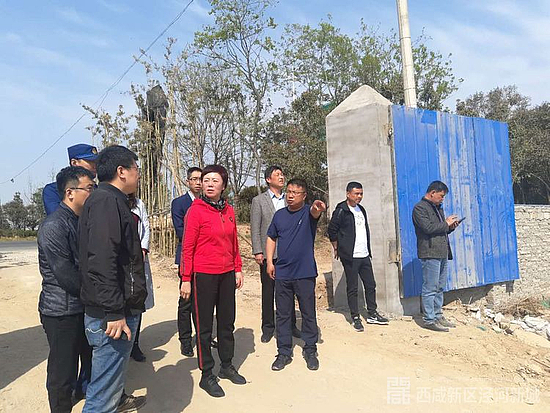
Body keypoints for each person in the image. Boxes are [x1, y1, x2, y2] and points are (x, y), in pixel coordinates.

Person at [79, 145, 147, 412]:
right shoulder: (106, 202)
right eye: (136, 169)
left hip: (115, 309)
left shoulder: (111, 200)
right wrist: (114, 312)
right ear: (121, 171)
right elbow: (102, 260)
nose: (138, 174)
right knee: (102, 398)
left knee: (109, 386)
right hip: (112, 315)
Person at [180, 164, 245, 398]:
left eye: (214, 181)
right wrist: (186, 278)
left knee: (227, 322)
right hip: (203, 275)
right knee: (204, 327)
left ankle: (226, 365)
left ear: (223, 185)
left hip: (226, 274)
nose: (208, 184)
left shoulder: (229, 210)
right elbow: (187, 247)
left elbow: (233, 242)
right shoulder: (195, 211)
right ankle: (206, 374)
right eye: (205, 180)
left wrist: (238, 268)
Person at [38, 166, 94, 412]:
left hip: (81, 305)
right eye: (89, 188)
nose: (92, 193)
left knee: (90, 360)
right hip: (61, 311)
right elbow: (66, 275)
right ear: (70, 192)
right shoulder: (54, 226)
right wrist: (98, 295)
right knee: (63, 372)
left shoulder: (80, 221)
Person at [266, 178, 326, 372]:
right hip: (283, 273)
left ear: (304, 196)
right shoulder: (279, 215)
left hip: (304, 273)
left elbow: (315, 211)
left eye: (295, 193)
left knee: (308, 313)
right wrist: (270, 262)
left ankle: (310, 350)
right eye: (289, 192)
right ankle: (283, 352)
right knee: (283, 314)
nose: (290, 196)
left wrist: (317, 207)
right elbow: (271, 237)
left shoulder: (308, 213)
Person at [327, 182, 389, 332]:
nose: (359, 196)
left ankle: (372, 313)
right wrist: (337, 247)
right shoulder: (341, 211)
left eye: (361, 193)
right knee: (353, 287)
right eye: (356, 194)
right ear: (348, 194)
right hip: (350, 256)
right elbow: (332, 230)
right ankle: (355, 317)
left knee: (370, 284)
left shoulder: (361, 209)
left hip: (364, 254)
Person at [250, 165, 300, 343]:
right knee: (268, 292)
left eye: (282, 174)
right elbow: (255, 228)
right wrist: (258, 251)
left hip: (288, 254)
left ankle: (291, 325)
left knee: (289, 291)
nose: (281, 177)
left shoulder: (290, 199)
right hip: (268, 254)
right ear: (268, 179)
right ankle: (268, 327)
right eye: (277, 174)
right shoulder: (259, 201)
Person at [412, 180, 461, 332]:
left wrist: (450, 227)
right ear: (432, 193)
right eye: (441, 196)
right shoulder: (420, 208)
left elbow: (440, 229)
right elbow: (428, 228)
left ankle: (438, 315)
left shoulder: (437, 208)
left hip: (442, 252)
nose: (442, 199)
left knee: (440, 287)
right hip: (430, 252)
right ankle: (429, 319)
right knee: (430, 287)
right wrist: (446, 223)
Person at [171, 167, 202, 357]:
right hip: (187, 256)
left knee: (204, 301)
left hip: (206, 258)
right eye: (194, 179)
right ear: (187, 181)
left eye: (201, 179)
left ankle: (202, 336)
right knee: (186, 299)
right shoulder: (179, 203)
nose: (198, 182)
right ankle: (185, 340)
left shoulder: (209, 202)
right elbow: (180, 230)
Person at [128, 194, 155, 362]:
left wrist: (143, 249)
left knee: (138, 299)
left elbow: (145, 226)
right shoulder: (109, 201)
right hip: (119, 260)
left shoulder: (138, 203)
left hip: (138, 259)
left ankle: (135, 343)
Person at [43, 144, 98, 215]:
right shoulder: (53, 190)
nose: (95, 166)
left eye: (96, 162)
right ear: (74, 163)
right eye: (91, 162)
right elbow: (57, 217)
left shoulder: (97, 189)